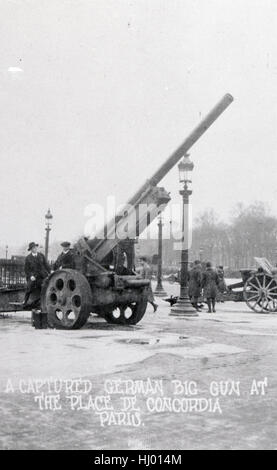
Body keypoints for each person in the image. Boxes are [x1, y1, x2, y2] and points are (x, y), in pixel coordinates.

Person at [24, 242, 50, 308]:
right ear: (31, 249)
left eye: (36, 247)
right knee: (29, 286)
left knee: (45, 286)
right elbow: (26, 269)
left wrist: (50, 272)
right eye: (33, 248)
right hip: (33, 276)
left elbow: (46, 265)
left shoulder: (41, 255)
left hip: (42, 275)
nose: (35, 249)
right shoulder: (28, 258)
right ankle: (25, 300)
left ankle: (43, 302)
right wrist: (31, 276)